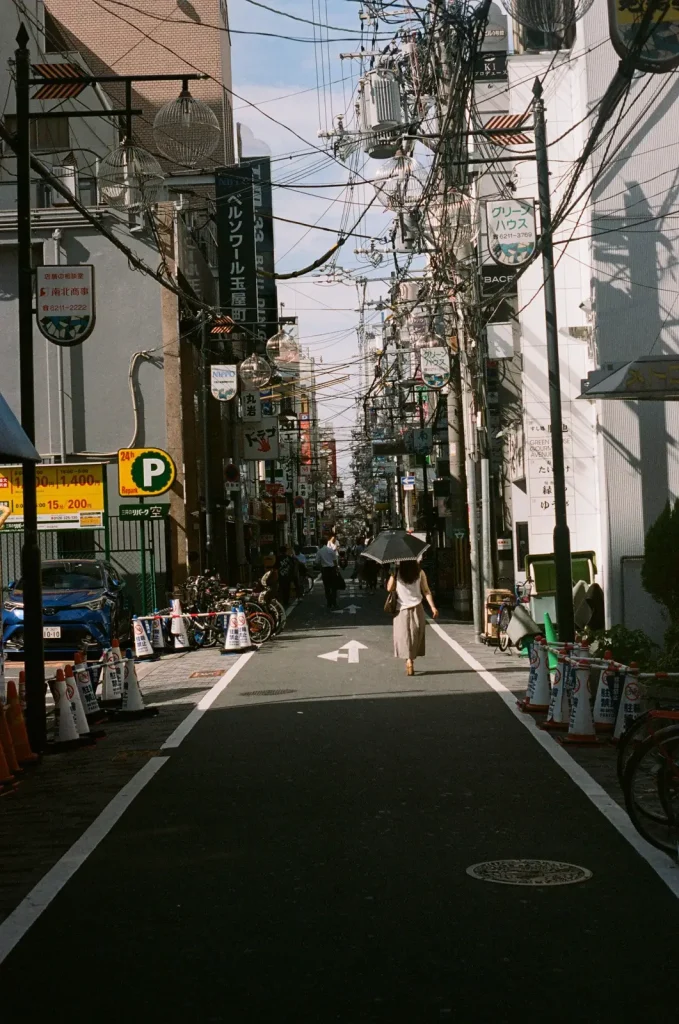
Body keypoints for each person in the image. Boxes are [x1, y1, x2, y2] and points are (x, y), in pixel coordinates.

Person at [387, 560, 438, 676]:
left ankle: (408, 660)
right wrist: (433, 607)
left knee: (404, 636)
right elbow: (426, 590)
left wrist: (392, 574)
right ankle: (412, 658)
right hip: (417, 607)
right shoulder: (420, 572)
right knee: (416, 634)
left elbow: (389, 588)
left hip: (401, 609)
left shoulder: (398, 572)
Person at [317, 537, 340, 609]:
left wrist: (321, 566)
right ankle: (334, 602)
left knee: (327, 587)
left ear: (320, 543)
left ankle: (329, 603)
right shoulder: (331, 550)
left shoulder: (319, 551)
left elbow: (317, 562)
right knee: (334, 587)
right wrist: (336, 569)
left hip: (325, 571)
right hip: (332, 570)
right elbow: (335, 561)